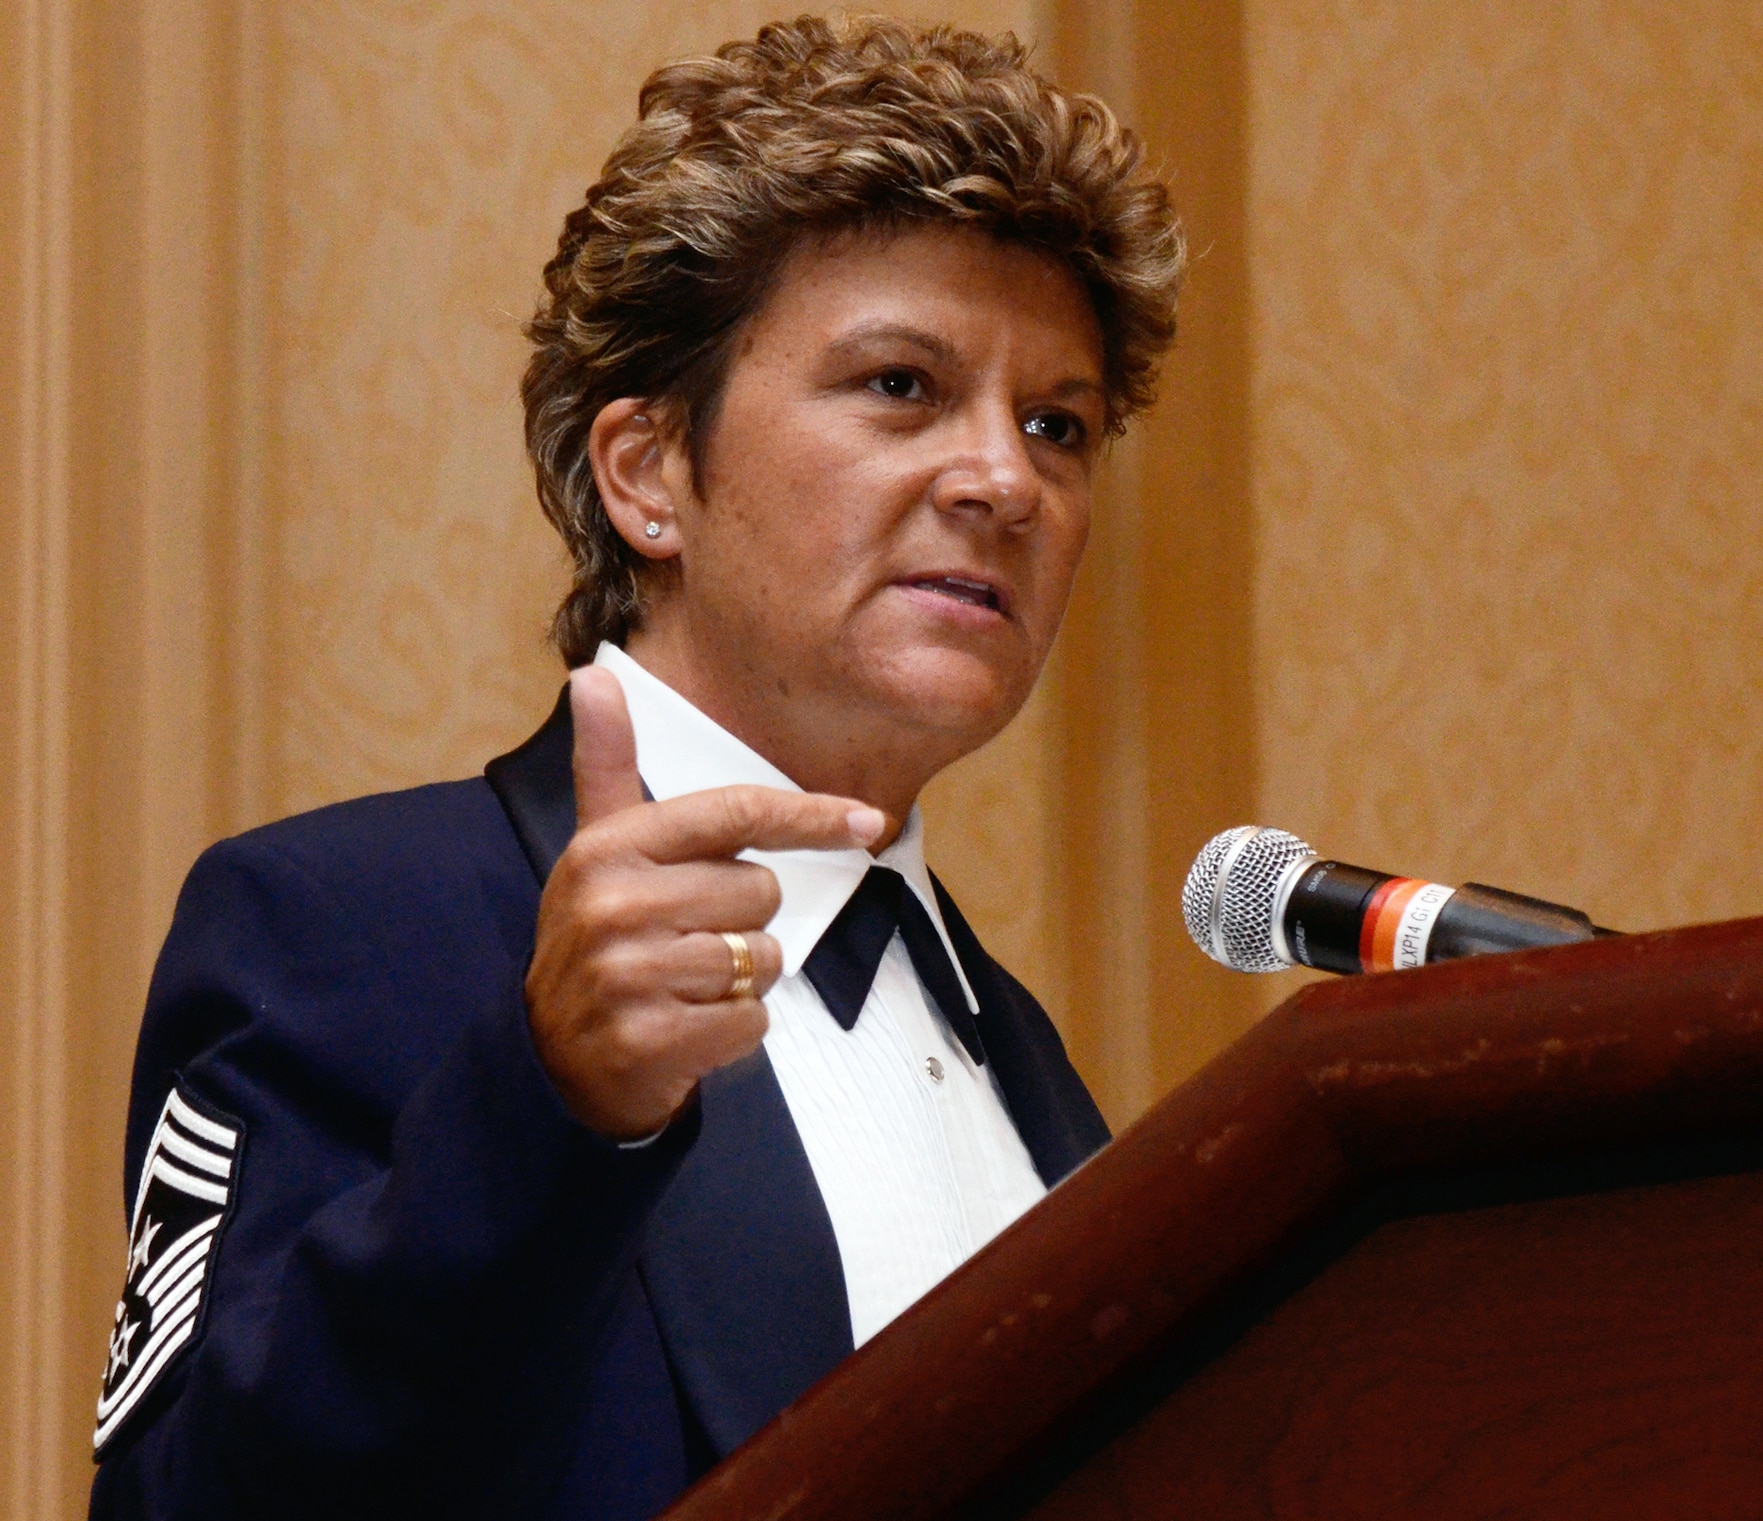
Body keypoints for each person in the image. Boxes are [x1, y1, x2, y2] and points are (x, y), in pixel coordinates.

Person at [88, 15, 1183, 1520]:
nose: (1007, 478)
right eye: (901, 387)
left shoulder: (1030, 1060)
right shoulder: (342, 923)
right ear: (649, 473)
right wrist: (552, 1109)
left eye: (1058, 423)